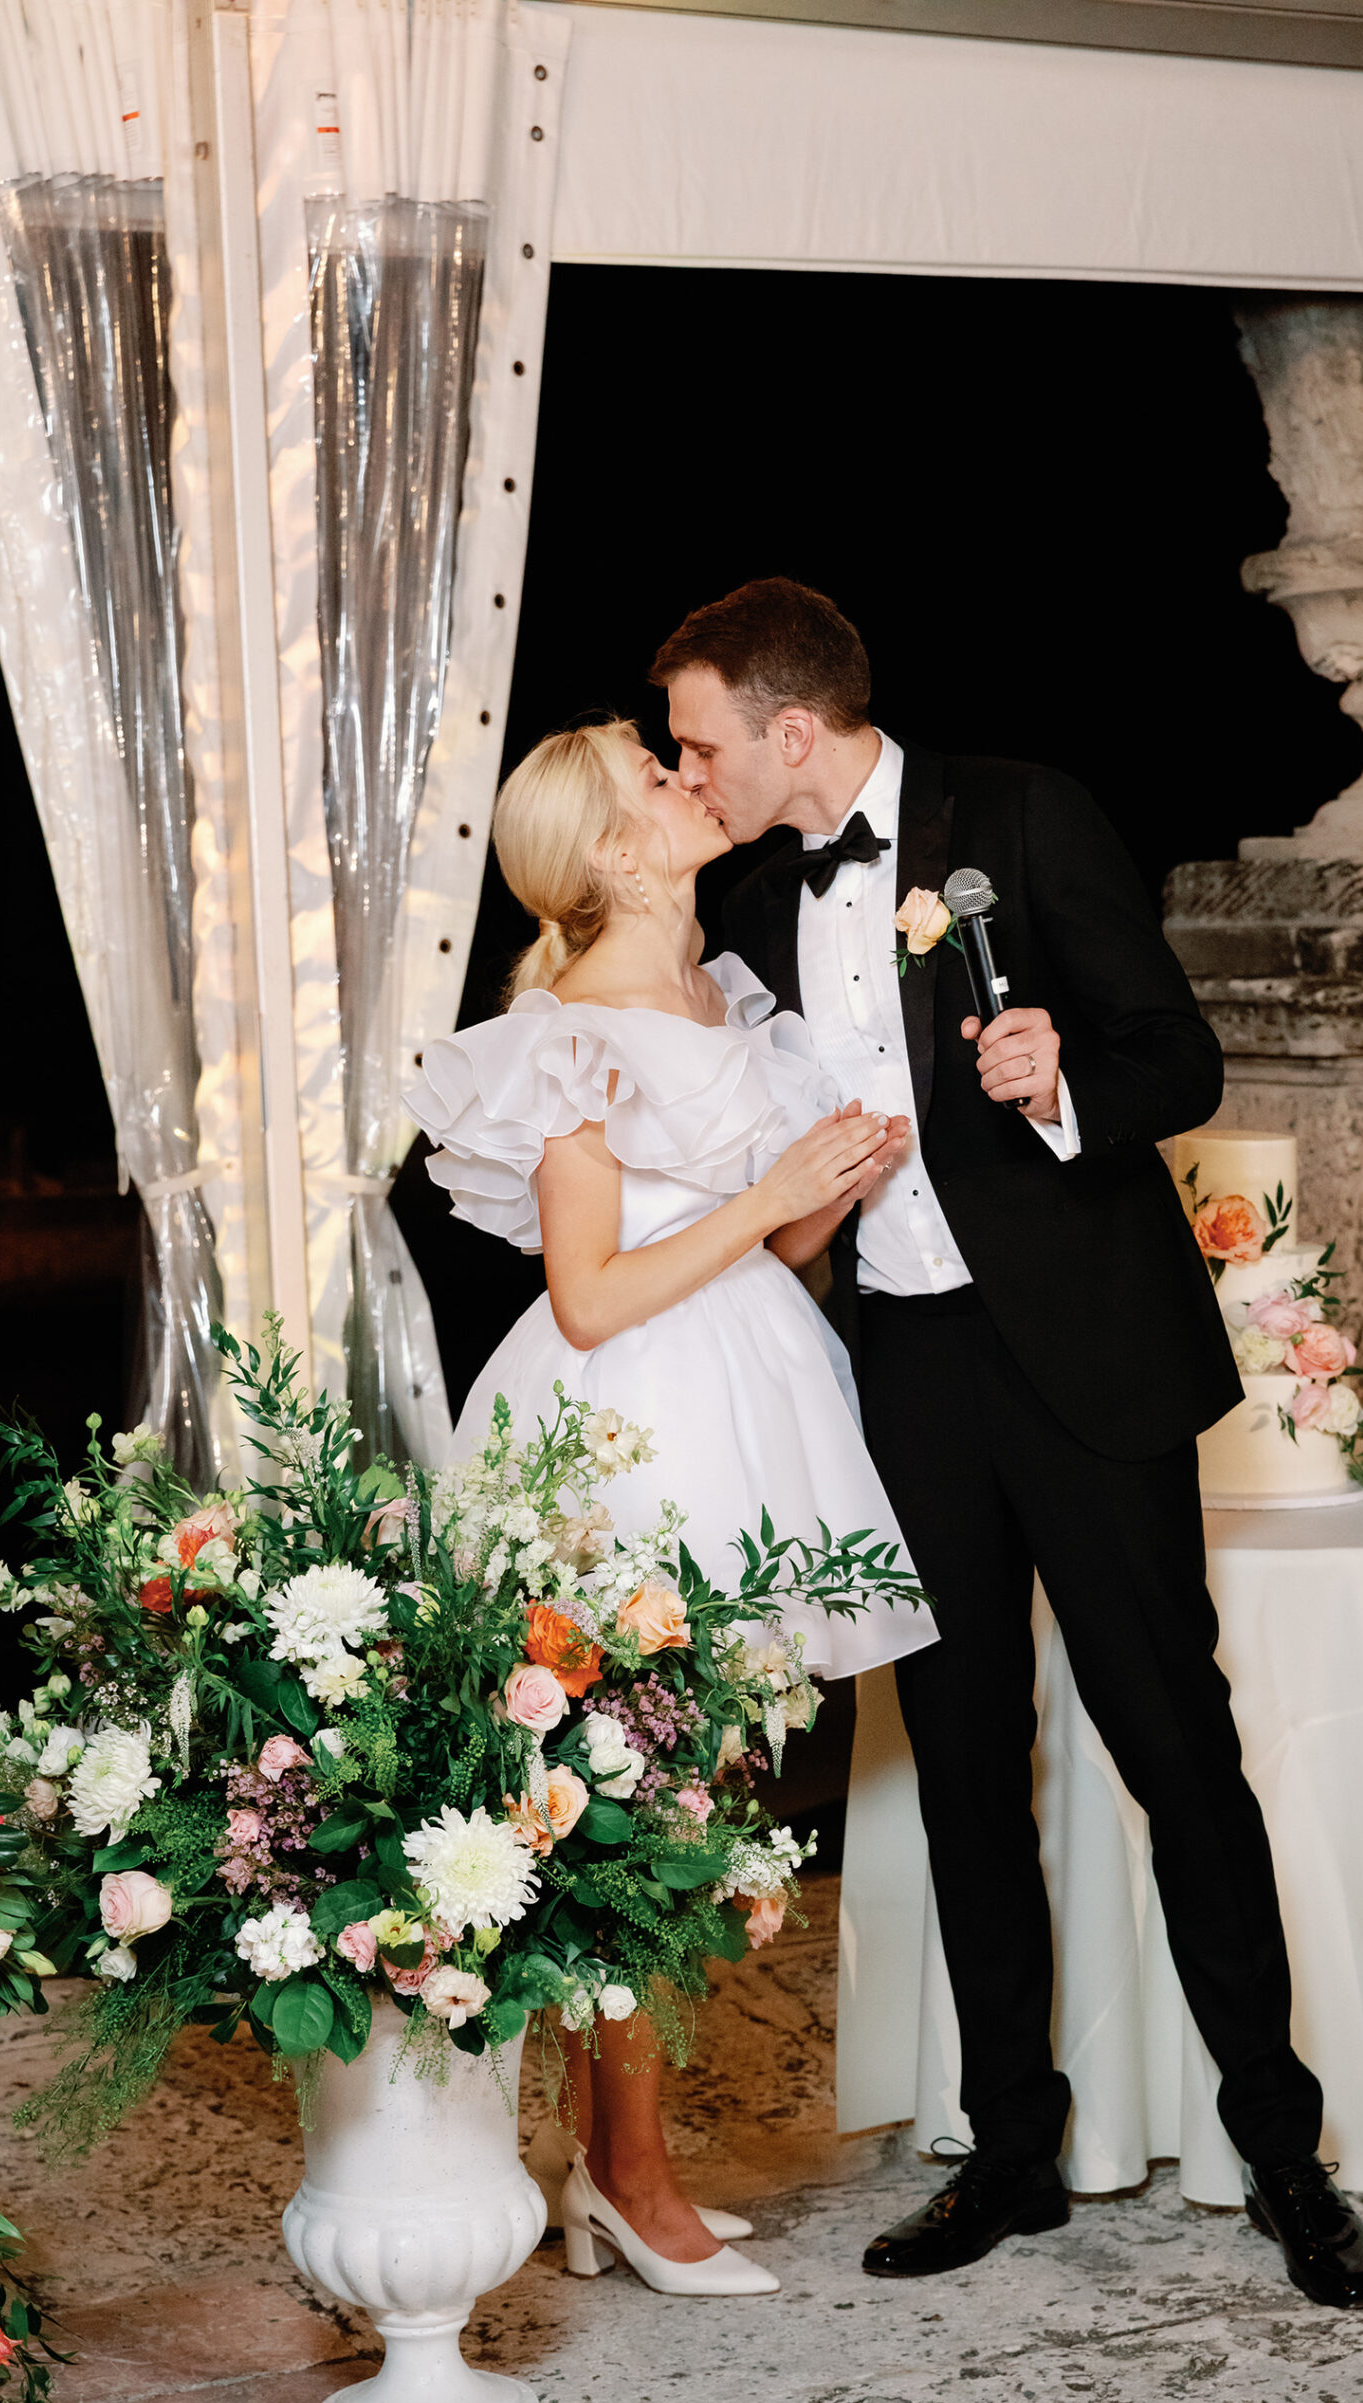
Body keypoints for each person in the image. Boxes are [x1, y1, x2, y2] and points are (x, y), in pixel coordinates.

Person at [652, 578, 1363, 2311]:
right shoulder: (750, 904)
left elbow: (1179, 1057)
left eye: (698, 743)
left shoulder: (1024, 812)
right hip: (903, 1373)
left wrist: (1065, 1082)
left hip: (1087, 1359)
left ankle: (1286, 2157)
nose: (687, 773)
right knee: (963, 1768)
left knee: (1177, 1753)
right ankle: (1010, 2154)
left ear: (791, 730)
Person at [404, 716, 936, 2300]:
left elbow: (769, 1254)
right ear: (613, 853)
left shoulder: (727, 1001)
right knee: (639, 1810)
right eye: (654, 776)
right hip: (627, 1429)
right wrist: (769, 1197)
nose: (687, 778)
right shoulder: (570, 1036)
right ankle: (631, 2182)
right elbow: (586, 1294)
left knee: (687, 1798)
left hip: (750, 1396)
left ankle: (612, 2167)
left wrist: (829, 1186)